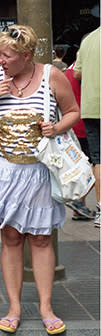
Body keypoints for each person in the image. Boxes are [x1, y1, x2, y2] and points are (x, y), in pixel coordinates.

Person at [0, 25, 79, 335]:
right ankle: (14, 307)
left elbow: (73, 111)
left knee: (42, 238)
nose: (0, 60)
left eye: (7, 55)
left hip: (39, 172)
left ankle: (46, 307)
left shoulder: (51, 76)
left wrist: (56, 128)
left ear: (27, 55)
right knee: (11, 237)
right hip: (5, 171)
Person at [73, 26, 100, 228]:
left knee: (98, 160)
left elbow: (77, 73)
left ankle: (99, 209)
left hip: (90, 107)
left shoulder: (89, 39)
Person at [64, 59, 95, 220]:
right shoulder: (87, 69)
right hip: (87, 121)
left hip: (75, 123)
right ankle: (79, 200)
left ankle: (79, 203)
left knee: (86, 164)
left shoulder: (70, 68)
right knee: (95, 164)